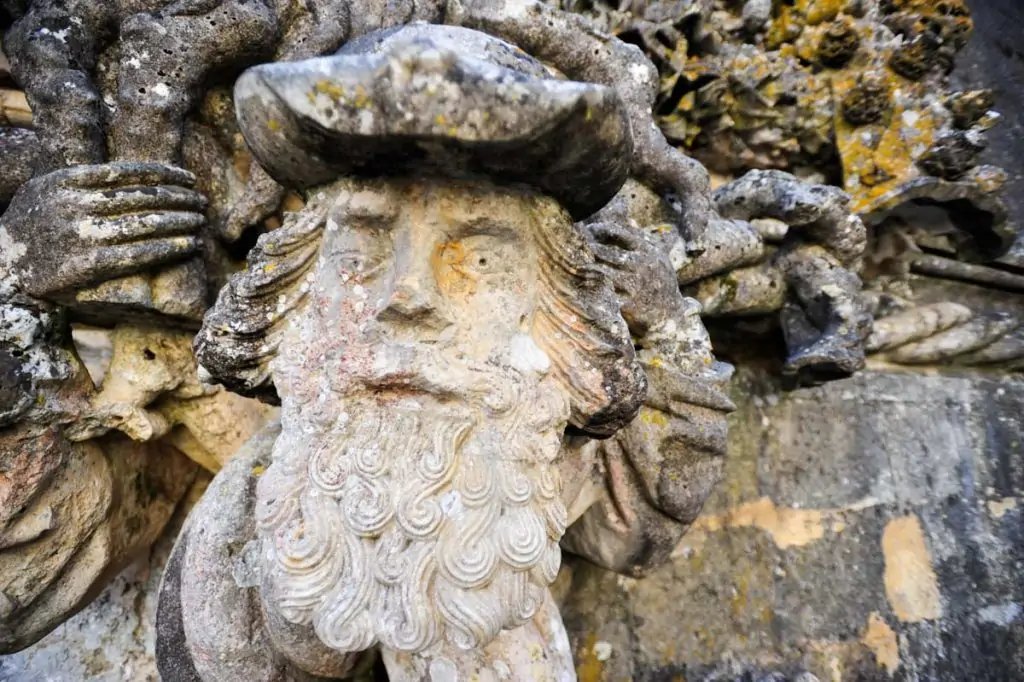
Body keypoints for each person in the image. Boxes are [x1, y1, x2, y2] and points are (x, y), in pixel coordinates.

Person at [159, 24, 733, 681]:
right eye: (362, 247)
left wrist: (666, 328)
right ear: (297, 286)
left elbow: (642, 531)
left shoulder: (549, 447)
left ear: (557, 302)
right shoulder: (240, 534)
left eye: (480, 256)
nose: (409, 296)